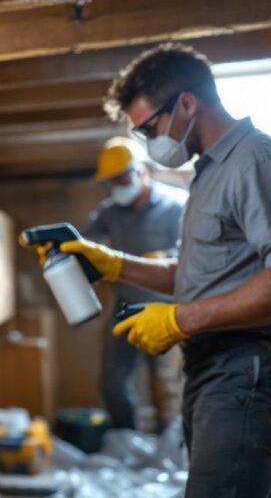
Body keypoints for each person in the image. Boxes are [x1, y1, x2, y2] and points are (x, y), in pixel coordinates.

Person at [42, 43, 271, 497]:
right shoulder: (209, 173)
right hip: (215, 369)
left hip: (251, 369)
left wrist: (179, 319)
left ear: (186, 103)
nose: (148, 141)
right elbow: (196, 273)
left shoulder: (257, 160)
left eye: (149, 127)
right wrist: (114, 264)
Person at [83, 138, 186, 433]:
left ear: (141, 171)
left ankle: (167, 444)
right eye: (111, 182)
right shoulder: (110, 213)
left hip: (168, 307)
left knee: (166, 386)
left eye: (122, 179)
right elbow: (85, 242)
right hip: (126, 305)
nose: (117, 187)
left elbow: (199, 254)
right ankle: (126, 439)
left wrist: (168, 257)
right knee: (112, 383)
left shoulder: (177, 205)